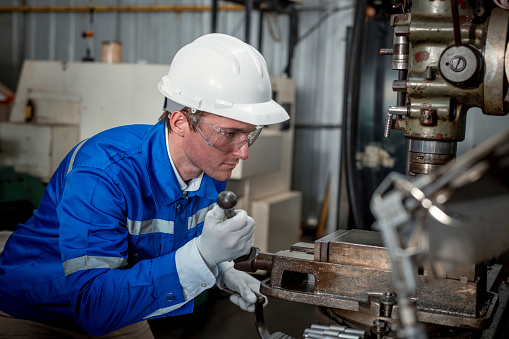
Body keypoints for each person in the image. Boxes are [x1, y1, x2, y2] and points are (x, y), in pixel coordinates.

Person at [0, 33, 290, 338]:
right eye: (229, 133)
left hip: (119, 304)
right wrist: (203, 256)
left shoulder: (210, 172)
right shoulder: (103, 174)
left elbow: (172, 242)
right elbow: (91, 302)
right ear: (180, 121)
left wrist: (223, 270)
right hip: (36, 308)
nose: (243, 151)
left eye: (249, 134)